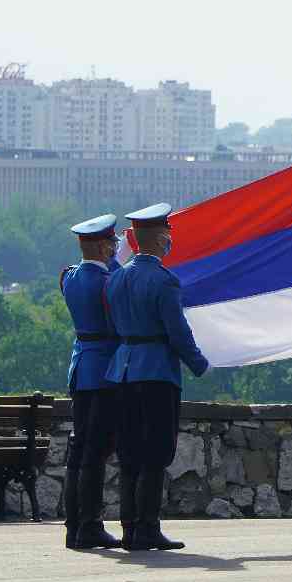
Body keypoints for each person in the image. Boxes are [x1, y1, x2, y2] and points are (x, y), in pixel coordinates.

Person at [104, 202, 209, 551]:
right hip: (157, 373)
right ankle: (148, 526)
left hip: (122, 371)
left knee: (129, 453)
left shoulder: (116, 278)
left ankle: (130, 527)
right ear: (162, 238)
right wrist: (198, 363)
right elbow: (177, 332)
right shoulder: (164, 281)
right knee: (156, 452)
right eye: (167, 235)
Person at [60, 213, 123, 549]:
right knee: (94, 453)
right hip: (102, 371)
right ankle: (90, 524)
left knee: (79, 450)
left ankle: (74, 525)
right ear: (102, 246)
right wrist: (117, 263)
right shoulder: (108, 282)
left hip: (81, 367)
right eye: (111, 243)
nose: (115, 248)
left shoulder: (69, 278)